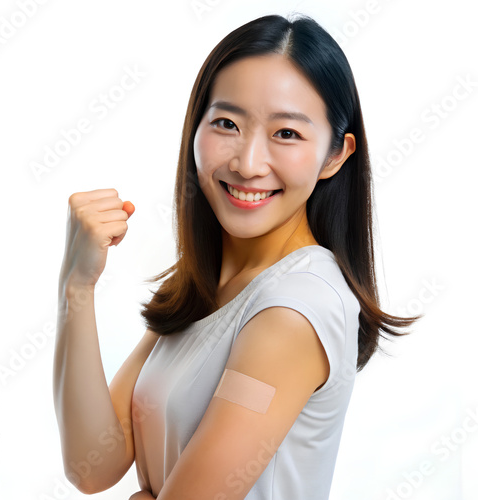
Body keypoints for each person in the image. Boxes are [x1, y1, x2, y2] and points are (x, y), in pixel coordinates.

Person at [53, 13, 420, 500]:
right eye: (227, 123)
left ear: (335, 154)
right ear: (196, 128)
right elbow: (92, 464)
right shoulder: (204, 283)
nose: (247, 164)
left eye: (286, 133)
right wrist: (75, 286)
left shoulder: (294, 309)